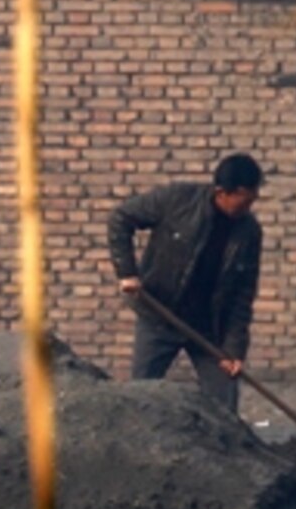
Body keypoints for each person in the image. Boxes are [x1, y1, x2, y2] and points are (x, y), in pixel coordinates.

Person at [107, 151, 265, 412]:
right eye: (244, 200)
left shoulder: (248, 232)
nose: (248, 207)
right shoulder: (178, 200)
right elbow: (120, 219)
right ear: (223, 192)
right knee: (139, 397)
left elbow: (242, 295)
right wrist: (127, 272)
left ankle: (223, 453)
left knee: (224, 404)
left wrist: (234, 349)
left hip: (209, 328)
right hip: (160, 314)